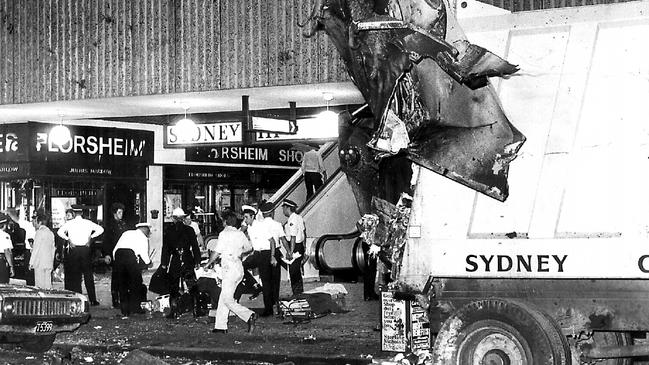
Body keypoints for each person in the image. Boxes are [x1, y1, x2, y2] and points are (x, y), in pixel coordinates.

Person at [203, 211, 256, 334]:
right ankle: (220, 326)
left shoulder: (224, 234)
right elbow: (249, 248)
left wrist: (208, 263)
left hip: (229, 268)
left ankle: (249, 315)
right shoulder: (239, 234)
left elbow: (216, 252)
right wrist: (238, 252)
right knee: (224, 296)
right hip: (238, 266)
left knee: (227, 299)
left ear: (225, 222)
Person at [242, 202, 284, 317]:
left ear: (252, 216)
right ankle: (255, 285)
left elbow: (272, 242)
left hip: (266, 254)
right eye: (244, 217)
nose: (245, 220)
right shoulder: (249, 228)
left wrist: (272, 256)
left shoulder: (260, 226)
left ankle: (269, 309)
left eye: (246, 217)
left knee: (267, 282)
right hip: (258, 254)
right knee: (242, 267)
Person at [57, 206, 104, 306]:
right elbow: (100, 229)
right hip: (85, 249)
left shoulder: (69, 223)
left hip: (74, 250)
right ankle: (92, 299)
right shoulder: (88, 223)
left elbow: (59, 232)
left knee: (75, 275)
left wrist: (68, 239)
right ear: (82, 212)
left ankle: (77, 298)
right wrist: (90, 238)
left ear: (74, 213)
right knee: (88, 275)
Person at [160, 208, 202, 305]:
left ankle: (174, 309)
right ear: (183, 218)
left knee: (173, 285)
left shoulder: (169, 230)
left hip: (175, 259)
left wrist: (164, 263)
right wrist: (197, 261)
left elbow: (165, 248)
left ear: (174, 219)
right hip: (187, 258)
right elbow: (195, 246)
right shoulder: (190, 229)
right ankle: (196, 308)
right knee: (191, 284)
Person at [113, 223, 152, 317]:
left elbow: (115, 249)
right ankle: (135, 308)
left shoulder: (126, 233)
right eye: (148, 230)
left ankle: (124, 310)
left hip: (118, 255)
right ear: (144, 229)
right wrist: (149, 262)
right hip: (129, 256)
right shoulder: (143, 237)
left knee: (122, 284)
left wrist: (117, 261)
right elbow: (143, 252)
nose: (149, 232)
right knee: (136, 282)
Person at [102, 203, 130, 308]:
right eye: (119, 212)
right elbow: (106, 241)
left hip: (124, 254)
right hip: (114, 254)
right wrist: (107, 254)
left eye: (122, 212)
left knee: (124, 277)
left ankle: (123, 298)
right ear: (114, 213)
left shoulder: (123, 224)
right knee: (116, 278)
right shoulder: (110, 226)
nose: (121, 214)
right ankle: (115, 300)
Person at [281, 199, 306, 295]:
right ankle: (299, 292)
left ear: (287, 208)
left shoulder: (292, 219)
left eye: (284, 208)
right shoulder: (299, 217)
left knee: (293, 272)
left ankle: (297, 293)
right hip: (299, 246)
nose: (283, 210)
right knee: (296, 272)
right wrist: (304, 247)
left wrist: (290, 252)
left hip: (295, 247)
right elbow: (304, 232)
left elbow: (293, 237)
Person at [29, 212, 55, 289]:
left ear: (39, 222)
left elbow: (36, 249)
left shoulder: (39, 232)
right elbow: (53, 249)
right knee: (47, 286)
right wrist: (52, 262)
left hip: (39, 263)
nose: (34, 224)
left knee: (39, 286)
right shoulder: (50, 233)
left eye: (35, 222)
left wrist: (31, 262)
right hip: (48, 262)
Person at [0, 214, 15, 283]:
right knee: (3, 284)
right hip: (1, 262)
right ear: (5, 225)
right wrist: (11, 266)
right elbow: (7, 251)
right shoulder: (5, 235)